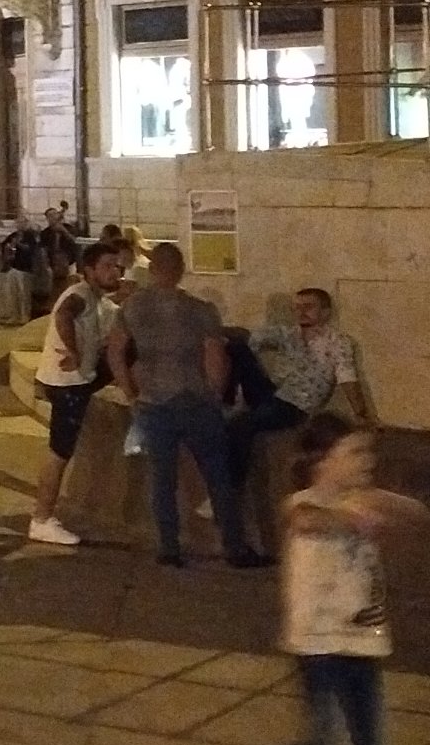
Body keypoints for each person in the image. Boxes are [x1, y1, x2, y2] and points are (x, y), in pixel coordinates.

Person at [228, 412, 430, 745]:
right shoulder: (305, 503)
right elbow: (306, 520)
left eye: (368, 451)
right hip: (317, 644)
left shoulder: (364, 499)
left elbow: (415, 513)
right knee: (323, 740)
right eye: (354, 452)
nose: (366, 460)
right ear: (322, 461)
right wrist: (350, 515)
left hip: (363, 641)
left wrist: (384, 504)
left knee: (371, 742)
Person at [106, 241, 265, 569]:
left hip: (152, 401)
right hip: (195, 399)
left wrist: (130, 393)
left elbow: (115, 352)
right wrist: (215, 395)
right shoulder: (201, 309)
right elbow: (215, 358)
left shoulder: (132, 307)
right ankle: (234, 548)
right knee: (218, 477)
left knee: (162, 480)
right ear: (180, 271)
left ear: (152, 270)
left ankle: (169, 547)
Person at [28, 241, 126, 547]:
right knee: (59, 453)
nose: (115, 272)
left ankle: (43, 518)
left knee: (61, 451)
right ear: (89, 270)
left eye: (117, 266)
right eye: (107, 266)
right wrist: (73, 350)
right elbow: (63, 315)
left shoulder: (100, 302)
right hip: (67, 384)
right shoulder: (80, 295)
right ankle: (41, 519)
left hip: (77, 381)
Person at [225, 288, 369, 493]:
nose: (302, 312)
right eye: (297, 308)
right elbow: (252, 339)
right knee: (237, 346)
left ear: (326, 312)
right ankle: (227, 402)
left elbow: (347, 377)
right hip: (273, 393)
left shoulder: (337, 342)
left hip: (295, 405)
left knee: (241, 424)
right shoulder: (288, 334)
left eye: (308, 307)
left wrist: (361, 413)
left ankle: (230, 488)